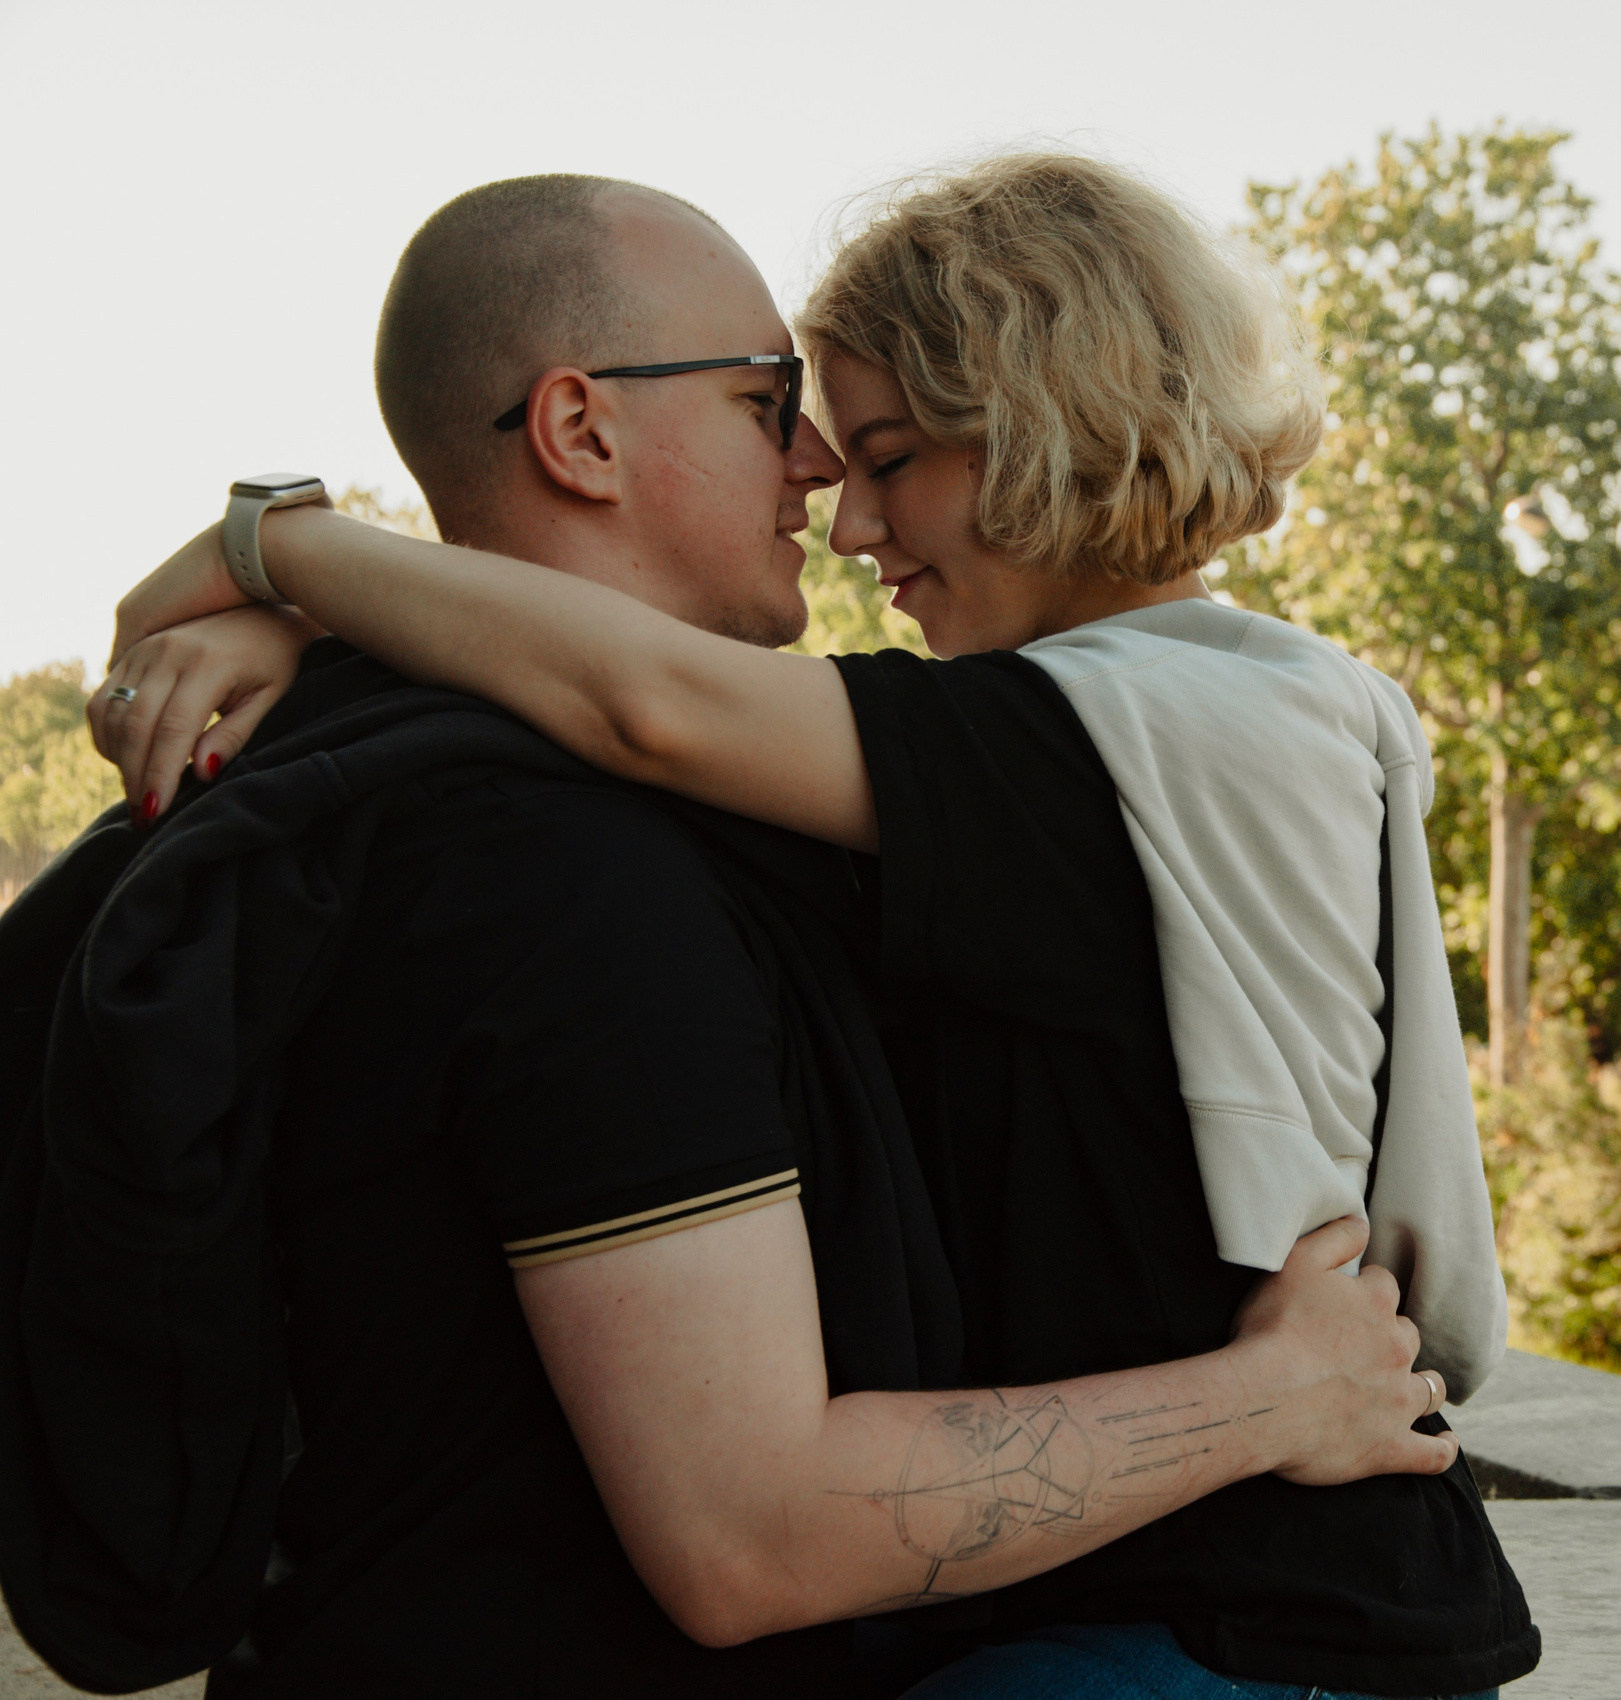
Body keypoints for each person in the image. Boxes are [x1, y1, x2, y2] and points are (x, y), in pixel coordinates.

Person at [17, 174, 1453, 1700]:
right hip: (1129, 1612)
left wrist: (282, 557)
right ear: (578, 429)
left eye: (878, 450)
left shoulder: (1162, 723)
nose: (833, 498)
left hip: (1237, 1627)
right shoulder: (578, 847)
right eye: (781, 409)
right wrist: (302, 630)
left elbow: (646, 702)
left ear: (1043, 429)